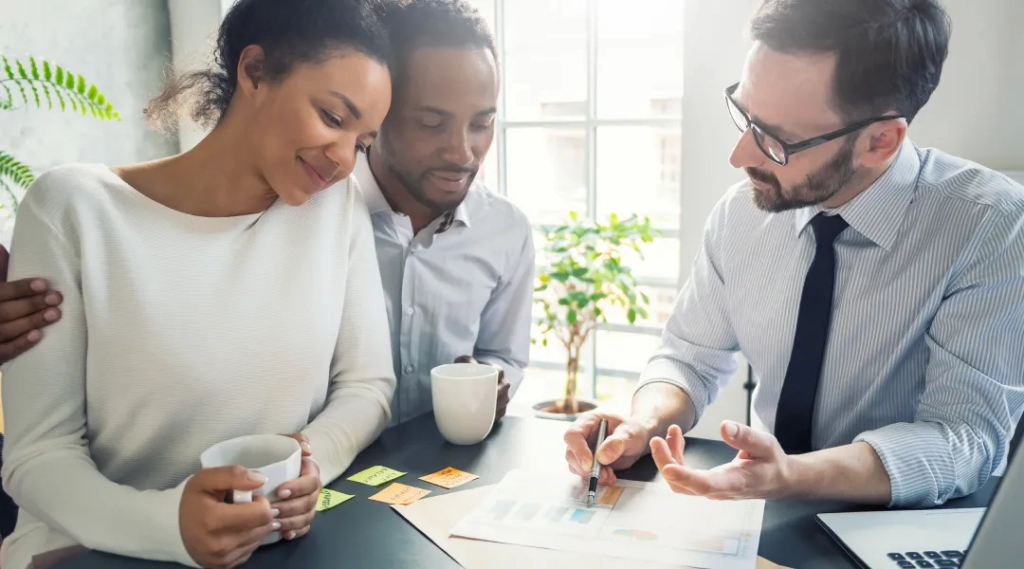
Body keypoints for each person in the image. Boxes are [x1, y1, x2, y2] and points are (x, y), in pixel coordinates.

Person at [565, 0, 1024, 509]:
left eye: (778, 141)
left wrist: (790, 474)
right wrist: (643, 421)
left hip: (899, 524)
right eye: (745, 114)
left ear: (880, 141)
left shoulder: (990, 224)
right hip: (764, 511)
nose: (740, 156)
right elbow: (688, 357)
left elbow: (964, 438)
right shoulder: (742, 213)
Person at [0, 0, 534, 427]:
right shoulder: (311, 201)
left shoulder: (495, 231)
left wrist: (489, 381)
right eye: (431, 122)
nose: (463, 153)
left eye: (482, 123)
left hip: (381, 491)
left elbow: (386, 385)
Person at [0, 0, 396, 568]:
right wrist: (170, 525)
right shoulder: (73, 210)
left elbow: (368, 387)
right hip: (85, 551)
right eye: (333, 118)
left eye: (361, 142)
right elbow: (38, 456)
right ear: (254, 71)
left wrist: (307, 463)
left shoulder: (334, 209)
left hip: (268, 549)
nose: (343, 161)